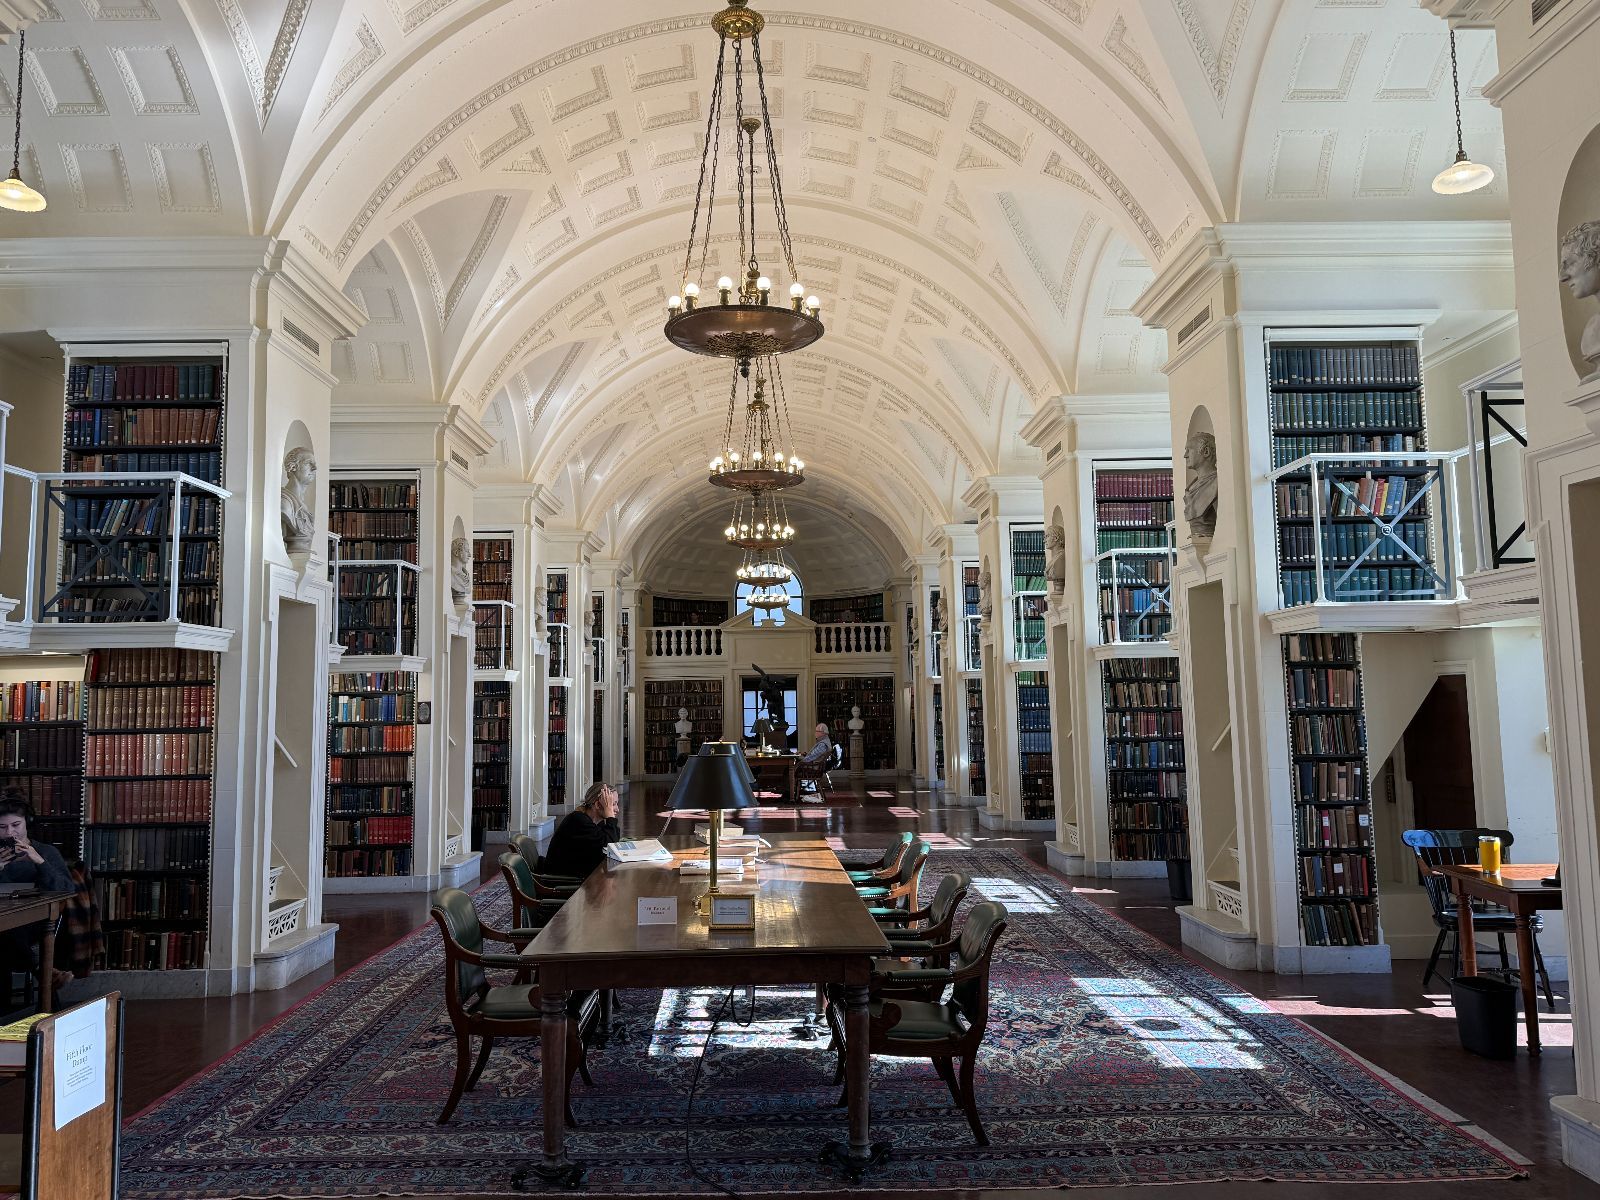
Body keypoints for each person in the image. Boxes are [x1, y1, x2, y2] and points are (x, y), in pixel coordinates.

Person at [0, 793, 75, 1006]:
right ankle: (44, 971)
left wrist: (40, 862)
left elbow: (66, 890)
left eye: (16, 825)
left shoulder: (45, 851)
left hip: (35, 925)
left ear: (27, 823)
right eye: (2, 827)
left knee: (8, 930)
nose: (10, 833)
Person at [541, 783, 621, 880]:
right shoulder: (578, 821)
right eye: (613, 804)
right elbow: (609, 846)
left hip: (579, 877)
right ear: (597, 805)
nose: (617, 809)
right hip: (564, 881)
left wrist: (610, 817)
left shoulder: (595, 822)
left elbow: (610, 844)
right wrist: (610, 816)